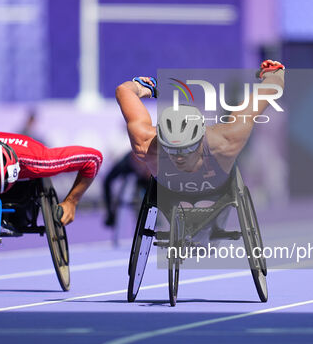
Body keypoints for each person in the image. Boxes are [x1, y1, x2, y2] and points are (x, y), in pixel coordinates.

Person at [115, 60, 284, 243]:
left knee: (209, 231)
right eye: (171, 149)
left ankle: (211, 226)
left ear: (200, 141)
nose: (179, 157)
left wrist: (274, 73)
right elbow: (124, 90)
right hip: (170, 192)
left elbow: (267, 93)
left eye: (187, 149)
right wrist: (142, 87)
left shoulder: (226, 140)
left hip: (217, 189)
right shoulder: (146, 144)